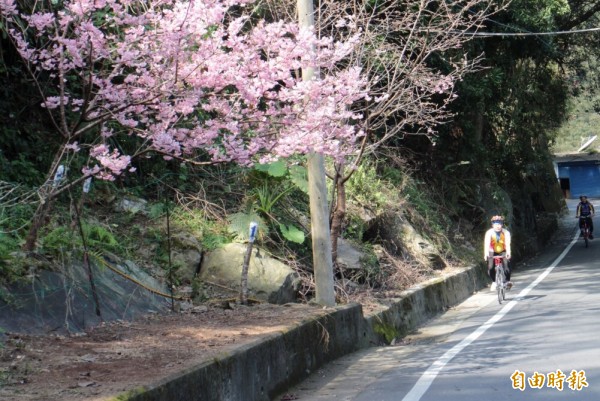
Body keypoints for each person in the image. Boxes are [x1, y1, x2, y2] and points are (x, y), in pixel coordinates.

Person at [483, 215, 512, 290]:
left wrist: (508, 252)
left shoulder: (506, 232)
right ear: (492, 225)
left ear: (502, 224)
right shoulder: (489, 233)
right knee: (490, 267)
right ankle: (494, 281)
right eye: (496, 224)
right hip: (492, 251)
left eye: (499, 224)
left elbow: (508, 244)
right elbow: (486, 244)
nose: (498, 226)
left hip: (503, 250)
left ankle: (507, 281)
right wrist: (486, 254)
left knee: (506, 266)